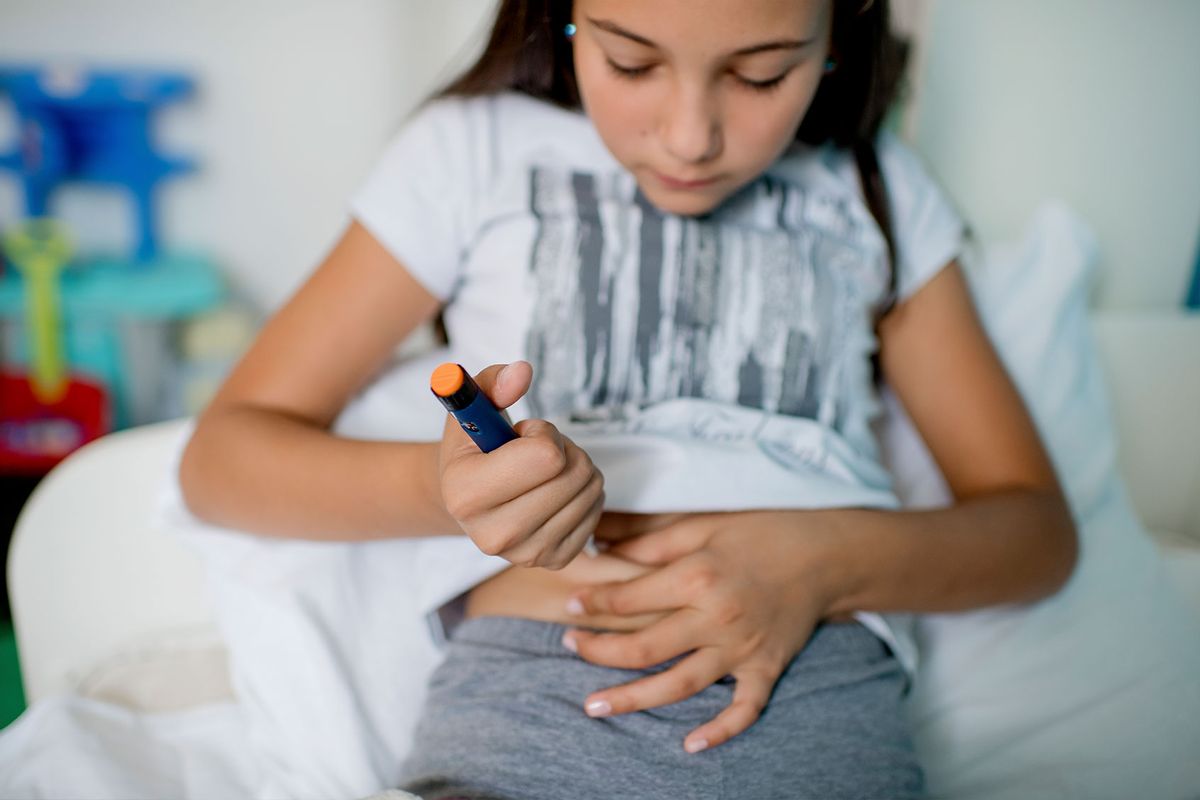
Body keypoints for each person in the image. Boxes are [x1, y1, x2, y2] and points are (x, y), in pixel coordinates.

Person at [179, 0, 1078, 797]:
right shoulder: (472, 153)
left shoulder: (875, 188)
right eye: (632, 62)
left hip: (821, 712)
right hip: (527, 718)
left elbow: (1036, 535)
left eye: (762, 72)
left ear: (839, 35)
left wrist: (822, 559)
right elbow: (222, 462)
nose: (691, 136)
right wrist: (445, 492)